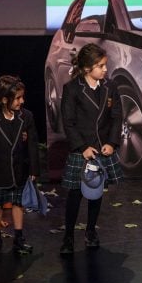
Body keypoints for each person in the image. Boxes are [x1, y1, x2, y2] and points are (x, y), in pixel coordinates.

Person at [59, 43, 123, 254]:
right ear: (87, 68)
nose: (105, 69)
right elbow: (68, 122)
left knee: (96, 193)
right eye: (101, 66)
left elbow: (116, 118)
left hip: (101, 149)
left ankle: (90, 231)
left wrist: (111, 143)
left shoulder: (110, 87)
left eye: (105, 65)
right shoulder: (72, 89)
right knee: (76, 194)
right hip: (82, 150)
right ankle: (68, 236)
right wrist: (82, 147)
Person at [0, 75, 40, 253]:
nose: (22, 101)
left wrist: (34, 169)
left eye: (22, 97)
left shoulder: (26, 117)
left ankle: (19, 238)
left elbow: (33, 145)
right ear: (4, 99)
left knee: (18, 203)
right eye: (18, 98)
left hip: (19, 169)